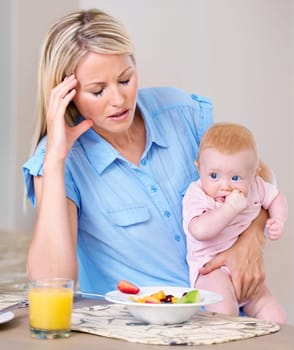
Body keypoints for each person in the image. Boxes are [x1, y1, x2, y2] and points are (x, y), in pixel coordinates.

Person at [23, 8, 269, 302]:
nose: (118, 100)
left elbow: (258, 174)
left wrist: (251, 240)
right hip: (139, 334)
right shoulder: (60, 162)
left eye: (125, 80)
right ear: (66, 94)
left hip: (227, 317)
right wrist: (54, 161)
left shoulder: (181, 112)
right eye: (98, 90)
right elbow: (51, 283)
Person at [182, 122, 287, 323]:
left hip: (245, 270)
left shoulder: (256, 186)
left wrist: (278, 219)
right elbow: (200, 230)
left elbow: (276, 198)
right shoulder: (197, 194)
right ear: (199, 168)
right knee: (225, 312)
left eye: (236, 177)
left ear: (254, 173)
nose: (225, 186)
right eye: (214, 176)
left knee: (276, 315)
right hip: (210, 269)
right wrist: (229, 210)